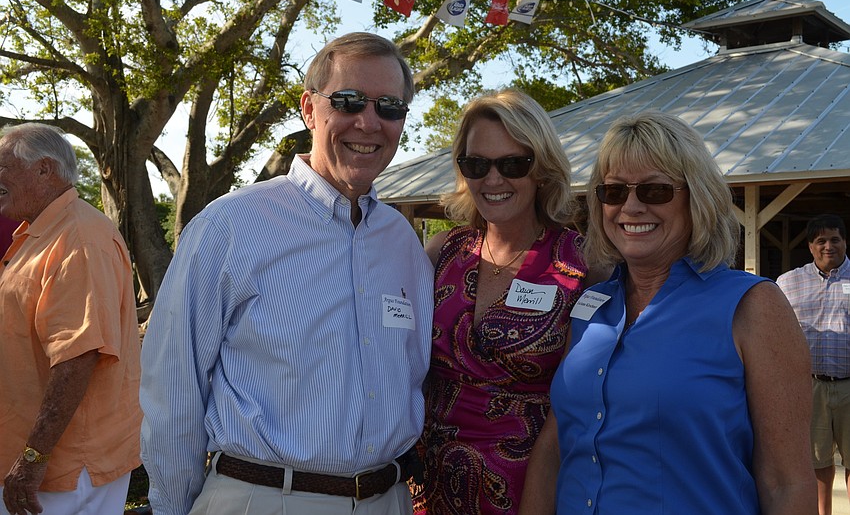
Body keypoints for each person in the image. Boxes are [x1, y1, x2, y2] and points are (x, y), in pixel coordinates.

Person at [139, 32, 435, 515]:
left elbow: (414, 376)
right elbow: (173, 389)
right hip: (266, 500)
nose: (368, 121)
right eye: (348, 100)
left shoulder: (403, 242)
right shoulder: (230, 224)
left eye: (390, 107)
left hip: (389, 500)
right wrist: (173, 507)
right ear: (309, 109)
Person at [519, 111, 816, 514]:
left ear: (697, 196)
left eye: (655, 191)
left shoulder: (752, 307)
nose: (632, 206)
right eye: (614, 192)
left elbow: (788, 483)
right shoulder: (591, 308)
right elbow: (556, 445)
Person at [413, 89, 606, 514]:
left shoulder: (585, 263)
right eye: (477, 164)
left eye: (513, 164)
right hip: (427, 488)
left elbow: (594, 395)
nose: (493, 180)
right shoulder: (440, 253)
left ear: (542, 169)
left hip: (531, 491)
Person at [0, 123, 142, 515]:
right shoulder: (42, 231)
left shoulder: (78, 237)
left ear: (44, 169)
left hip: (64, 470)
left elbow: (79, 356)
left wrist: (32, 458)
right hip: (43, 463)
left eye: (3, 168)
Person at [777, 214, 850, 515]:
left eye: (834, 239)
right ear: (810, 246)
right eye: (821, 240)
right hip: (810, 388)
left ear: (845, 242)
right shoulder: (788, 282)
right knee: (817, 462)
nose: (828, 246)